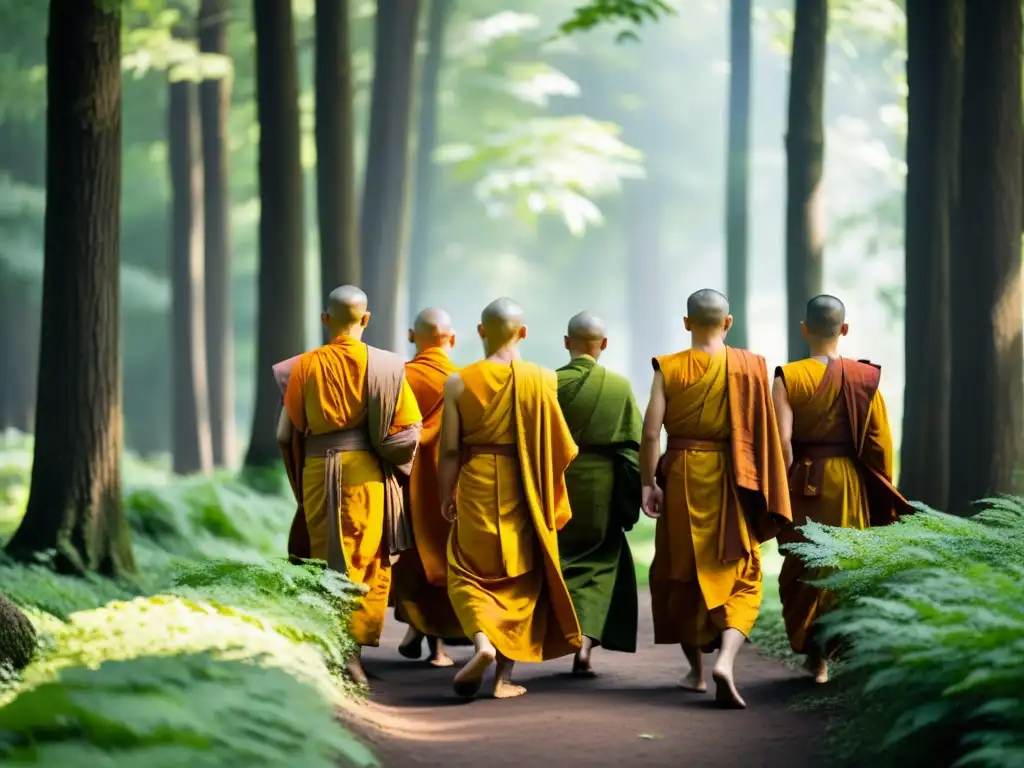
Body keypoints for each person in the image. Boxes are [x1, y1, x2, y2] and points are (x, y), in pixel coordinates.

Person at [641, 289, 791, 709]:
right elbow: (763, 430)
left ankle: (696, 673)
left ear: (686, 322)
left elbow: (652, 432)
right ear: (728, 323)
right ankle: (726, 659)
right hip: (733, 474)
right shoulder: (750, 367)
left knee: (680, 568)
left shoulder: (667, 368)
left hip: (683, 474)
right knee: (741, 568)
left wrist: (648, 484)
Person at [438, 297, 582, 699]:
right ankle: (502, 678)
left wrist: (445, 492)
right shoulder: (543, 379)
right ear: (523, 333)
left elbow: (449, 450)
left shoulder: (459, 381)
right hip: (525, 489)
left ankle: (481, 641)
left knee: (467, 572)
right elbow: (561, 447)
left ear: (481, 331)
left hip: (476, 483)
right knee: (520, 579)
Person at [279, 285, 423, 687]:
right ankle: (351, 655)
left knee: (323, 558)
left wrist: (299, 475)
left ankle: (329, 650)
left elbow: (282, 434)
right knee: (364, 557)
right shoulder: (386, 367)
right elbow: (409, 430)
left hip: (316, 469)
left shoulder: (303, 367)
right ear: (366, 319)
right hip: (364, 473)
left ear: (325, 319)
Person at [772, 295, 911, 683]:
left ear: (804, 329)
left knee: (801, 566)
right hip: (847, 482)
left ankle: (814, 655)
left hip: (800, 480)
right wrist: (881, 486)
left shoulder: (786, 376)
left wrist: (779, 489)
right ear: (844, 329)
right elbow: (879, 442)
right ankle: (828, 656)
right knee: (840, 562)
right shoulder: (863, 379)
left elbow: (781, 442)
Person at [555, 311, 642, 676]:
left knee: (557, 561)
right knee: (599, 563)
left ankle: (550, 634)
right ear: (603, 344)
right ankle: (585, 646)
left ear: (566, 342)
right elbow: (634, 448)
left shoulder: (548, 383)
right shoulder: (619, 387)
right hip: (602, 488)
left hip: (556, 484)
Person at [392, 307, 466, 667]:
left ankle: (417, 629)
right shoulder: (464, 378)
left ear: (411, 336)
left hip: (407, 481)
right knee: (446, 554)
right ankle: (437, 646)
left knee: (411, 556)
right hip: (451, 481)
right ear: (451, 339)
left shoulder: (400, 376)